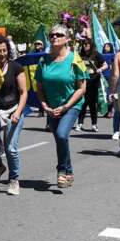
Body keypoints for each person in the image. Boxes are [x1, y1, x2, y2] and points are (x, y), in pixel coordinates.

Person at [34, 24, 88, 188]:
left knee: (62, 135)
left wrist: (66, 106)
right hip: (51, 107)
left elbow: (81, 88)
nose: (54, 37)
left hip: (71, 105)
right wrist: (44, 105)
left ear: (68, 39)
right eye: (51, 35)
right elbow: (39, 88)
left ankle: (61, 171)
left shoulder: (75, 59)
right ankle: (69, 172)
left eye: (58, 34)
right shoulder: (43, 61)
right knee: (60, 139)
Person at [0, 35, 27, 195]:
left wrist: (17, 112)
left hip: (14, 111)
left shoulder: (16, 67)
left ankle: (14, 180)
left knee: (11, 148)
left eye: (4, 50)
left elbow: (23, 92)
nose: (2, 53)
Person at [76, 37, 106, 132]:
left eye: (87, 44)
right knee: (82, 103)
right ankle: (79, 123)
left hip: (94, 81)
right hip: (83, 81)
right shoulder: (80, 55)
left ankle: (94, 124)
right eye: (84, 44)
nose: (85, 46)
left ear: (91, 45)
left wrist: (100, 69)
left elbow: (106, 65)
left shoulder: (96, 54)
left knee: (93, 104)